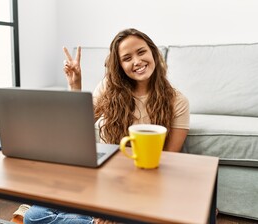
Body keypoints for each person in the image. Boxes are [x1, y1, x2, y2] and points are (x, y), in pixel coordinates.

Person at [23, 28, 190, 224]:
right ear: (119, 65)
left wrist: (116, 204)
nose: (137, 61)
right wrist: (75, 84)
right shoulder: (108, 88)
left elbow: (169, 161)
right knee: (33, 216)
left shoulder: (177, 101)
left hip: (141, 187)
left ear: (153, 52)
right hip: (104, 177)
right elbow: (76, 129)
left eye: (141, 52)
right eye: (127, 58)